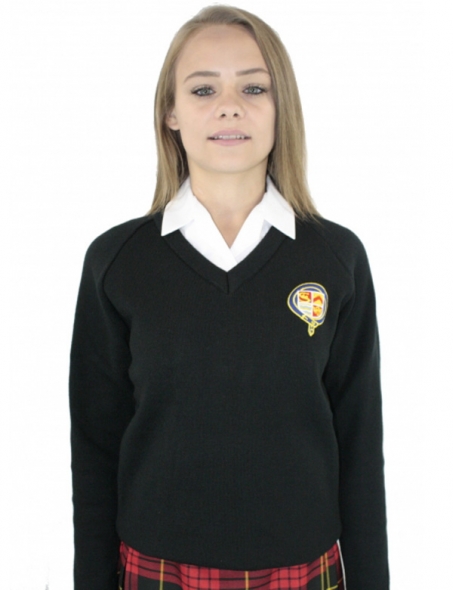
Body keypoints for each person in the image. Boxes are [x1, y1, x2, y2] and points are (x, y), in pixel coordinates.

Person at [69, 5, 389, 590]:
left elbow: (361, 444)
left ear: (281, 106)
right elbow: (94, 448)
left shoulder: (336, 258)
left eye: (254, 87)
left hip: (304, 570)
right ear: (170, 112)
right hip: (156, 571)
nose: (229, 105)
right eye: (203, 89)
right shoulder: (116, 262)